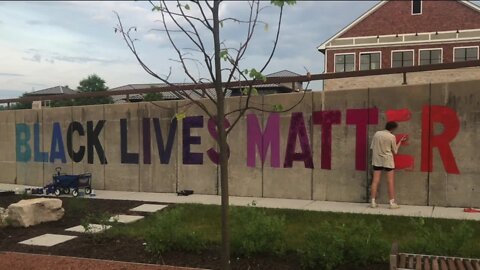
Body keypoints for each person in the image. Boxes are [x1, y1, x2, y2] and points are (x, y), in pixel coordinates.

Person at [370, 121, 407, 209]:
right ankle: (391, 203)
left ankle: (373, 202)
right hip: (388, 160)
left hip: (377, 160)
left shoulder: (377, 134)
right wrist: (400, 142)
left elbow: (372, 147)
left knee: (375, 181)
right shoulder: (391, 136)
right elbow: (395, 151)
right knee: (390, 181)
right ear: (393, 129)